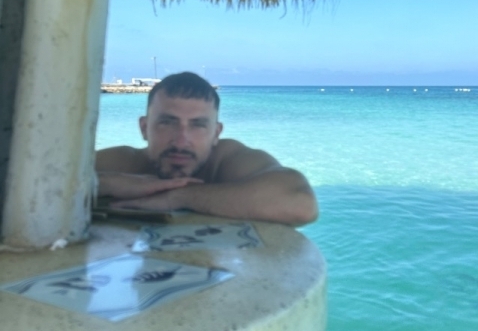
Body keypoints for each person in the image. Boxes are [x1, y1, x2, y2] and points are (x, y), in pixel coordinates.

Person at [95, 72, 318, 227]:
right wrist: (103, 182)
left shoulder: (227, 161)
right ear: (144, 128)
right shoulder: (125, 163)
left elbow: (301, 203)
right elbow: (70, 174)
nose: (181, 141)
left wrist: (180, 198)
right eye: (167, 123)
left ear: (216, 134)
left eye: (198, 125)